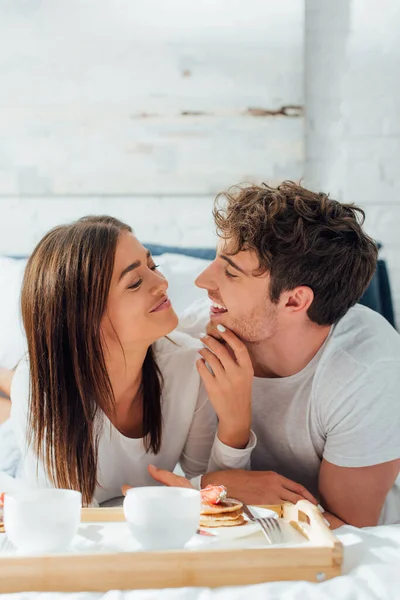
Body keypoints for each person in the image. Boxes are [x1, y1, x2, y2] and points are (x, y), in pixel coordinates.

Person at [147, 181, 400, 528]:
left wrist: (215, 490)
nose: (203, 281)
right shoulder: (195, 336)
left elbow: (351, 526)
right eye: (217, 260)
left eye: (231, 272)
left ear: (294, 300)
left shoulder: (367, 368)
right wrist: (215, 488)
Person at [9, 215, 261, 506]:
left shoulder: (189, 363)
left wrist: (235, 423)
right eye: (135, 282)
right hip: (25, 477)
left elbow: (214, 493)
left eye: (153, 266)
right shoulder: (38, 387)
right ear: (84, 319)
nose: (162, 283)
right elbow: (64, 517)